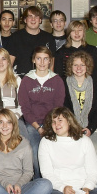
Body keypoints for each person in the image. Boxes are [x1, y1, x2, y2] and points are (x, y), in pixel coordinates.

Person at [18, 46, 66, 177]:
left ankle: (57, 181)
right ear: (34, 60)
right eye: (39, 58)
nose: (42, 62)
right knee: (35, 150)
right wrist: (38, 128)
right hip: (33, 124)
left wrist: (50, 126)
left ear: (50, 61)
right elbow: (25, 109)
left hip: (53, 123)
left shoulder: (57, 81)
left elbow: (58, 107)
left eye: (46, 59)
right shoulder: (26, 81)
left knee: (55, 150)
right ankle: (40, 182)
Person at [63, 51, 97, 178]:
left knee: (96, 151)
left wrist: (90, 129)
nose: (79, 68)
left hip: (92, 127)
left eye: (82, 65)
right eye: (75, 65)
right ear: (70, 67)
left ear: (88, 67)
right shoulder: (64, 84)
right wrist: (74, 128)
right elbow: (64, 111)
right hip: (71, 128)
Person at [53, 19, 97, 89]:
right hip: (68, 89)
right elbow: (59, 76)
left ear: (84, 32)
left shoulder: (92, 50)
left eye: (80, 30)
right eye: (73, 30)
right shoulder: (61, 52)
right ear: (69, 33)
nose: (77, 33)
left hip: (89, 88)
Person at [7, 6, 51, 76]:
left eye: (36, 16)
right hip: (19, 79)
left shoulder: (49, 38)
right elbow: (9, 63)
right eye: (30, 16)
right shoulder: (15, 37)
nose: (33, 19)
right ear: (25, 20)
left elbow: (51, 64)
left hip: (42, 80)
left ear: (40, 20)